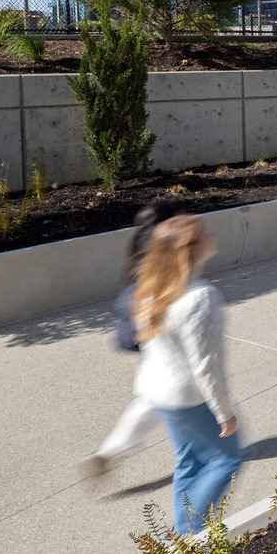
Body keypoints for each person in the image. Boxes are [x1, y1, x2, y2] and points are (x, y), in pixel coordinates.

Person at [131, 215, 245, 533]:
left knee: (189, 461)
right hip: (189, 399)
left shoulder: (150, 291)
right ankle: (192, 537)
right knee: (227, 460)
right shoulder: (199, 298)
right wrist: (224, 413)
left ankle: (183, 536)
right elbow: (205, 365)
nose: (213, 234)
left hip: (160, 396)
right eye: (204, 233)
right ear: (189, 249)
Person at [83, 201, 180, 478]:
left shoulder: (139, 247)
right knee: (184, 397)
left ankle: (108, 453)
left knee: (151, 401)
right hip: (164, 341)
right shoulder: (165, 250)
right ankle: (216, 449)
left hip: (147, 342)